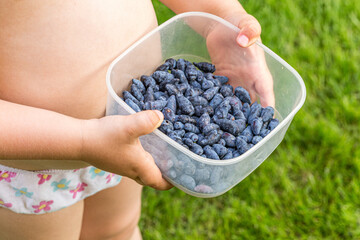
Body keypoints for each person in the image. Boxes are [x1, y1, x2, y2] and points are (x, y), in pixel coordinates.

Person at [0, 0, 273, 239]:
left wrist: (220, 14)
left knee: (118, 229)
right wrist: (83, 141)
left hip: (127, 138)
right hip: (33, 169)